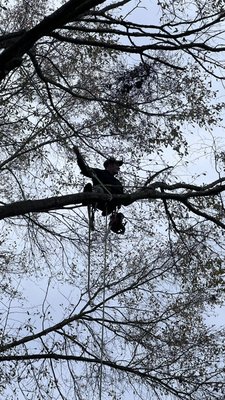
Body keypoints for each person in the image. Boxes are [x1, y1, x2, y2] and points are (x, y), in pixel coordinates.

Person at [73, 146, 126, 234]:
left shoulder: (118, 183)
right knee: (90, 187)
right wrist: (78, 155)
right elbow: (84, 168)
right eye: (117, 165)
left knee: (111, 195)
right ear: (110, 165)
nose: (119, 167)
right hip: (98, 198)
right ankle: (89, 198)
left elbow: (123, 198)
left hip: (109, 204)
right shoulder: (99, 172)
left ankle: (113, 217)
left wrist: (116, 215)